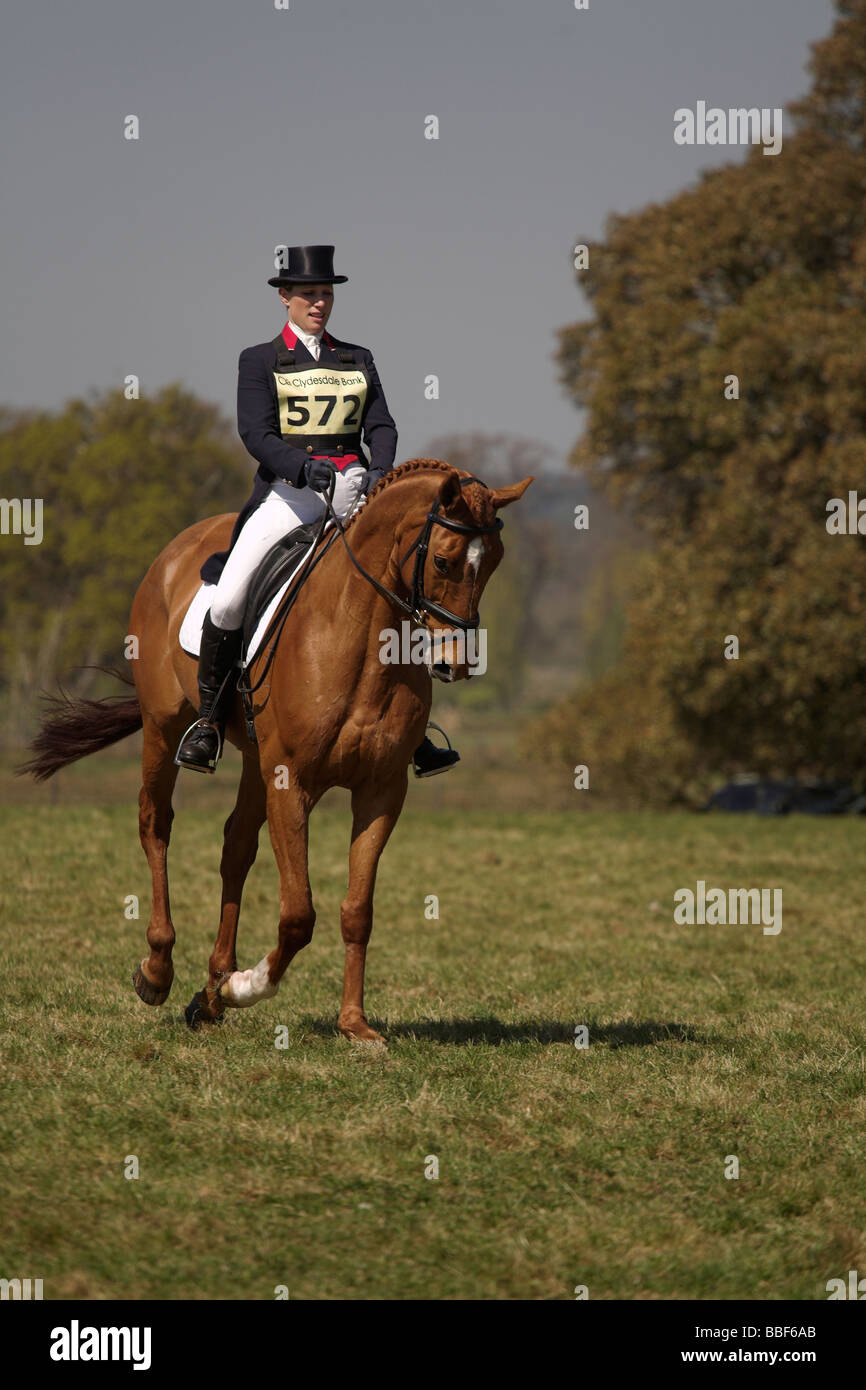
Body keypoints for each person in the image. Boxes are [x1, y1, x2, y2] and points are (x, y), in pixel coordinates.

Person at [175, 244, 459, 778]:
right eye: (308, 293)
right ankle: (210, 721)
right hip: (291, 495)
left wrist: (380, 473)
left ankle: (414, 729)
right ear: (284, 297)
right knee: (232, 594)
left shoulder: (358, 358)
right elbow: (254, 433)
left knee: (406, 587)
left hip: (355, 495)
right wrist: (304, 470)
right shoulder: (258, 360)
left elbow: (382, 427)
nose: (319, 302)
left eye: (326, 293)